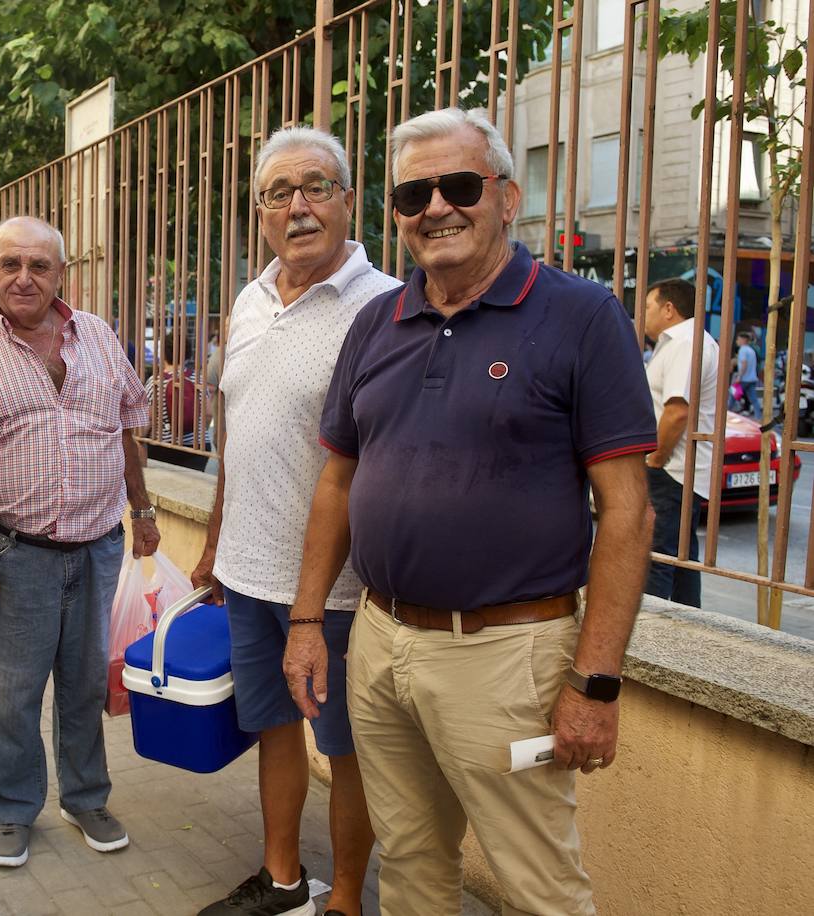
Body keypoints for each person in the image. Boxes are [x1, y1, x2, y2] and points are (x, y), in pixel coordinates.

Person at [285, 107, 655, 916]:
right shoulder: (375, 323)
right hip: (382, 643)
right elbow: (337, 482)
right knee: (413, 860)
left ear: (507, 196)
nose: (436, 208)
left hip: (507, 656)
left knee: (537, 886)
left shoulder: (581, 317)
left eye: (459, 185)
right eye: (414, 194)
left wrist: (595, 684)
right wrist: (308, 622)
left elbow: (627, 511)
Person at [190, 126, 398, 916]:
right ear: (260, 212)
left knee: (347, 752)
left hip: (339, 590)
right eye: (279, 193)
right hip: (246, 572)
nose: (298, 206)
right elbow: (237, 432)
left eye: (316, 187)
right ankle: (283, 883)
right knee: (273, 731)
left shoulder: (382, 307)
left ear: (348, 198)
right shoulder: (249, 299)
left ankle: (343, 899)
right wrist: (214, 541)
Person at [0, 216, 158, 871]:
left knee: (86, 685)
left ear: (63, 274)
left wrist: (142, 510)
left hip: (97, 548)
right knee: (10, 693)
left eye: (39, 265)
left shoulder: (99, 338)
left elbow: (124, 432)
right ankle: (9, 809)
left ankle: (86, 796)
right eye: (10, 265)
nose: (24, 278)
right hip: (9, 553)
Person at [643, 279, 717, 608]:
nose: (643, 315)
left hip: (671, 468)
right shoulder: (679, 342)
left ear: (669, 309)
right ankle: (690, 626)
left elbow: (677, 411)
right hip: (675, 468)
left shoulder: (687, 343)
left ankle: (648, 638)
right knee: (682, 558)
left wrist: (655, 459)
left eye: (648, 307)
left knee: (658, 558)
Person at [145, 329, 211, 471]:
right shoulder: (198, 380)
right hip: (197, 446)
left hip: (164, 446)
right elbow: (208, 413)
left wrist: (139, 440)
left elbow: (148, 419)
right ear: (188, 353)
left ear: (164, 354)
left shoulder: (155, 382)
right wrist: (196, 431)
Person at [734, 329, 760, 415]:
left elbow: (744, 364)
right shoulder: (751, 350)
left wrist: (739, 376)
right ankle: (758, 416)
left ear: (743, 340)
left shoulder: (742, 350)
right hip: (752, 378)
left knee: (733, 395)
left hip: (744, 379)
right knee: (754, 399)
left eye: (738, 339)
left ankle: (726, 414)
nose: (737, 341)